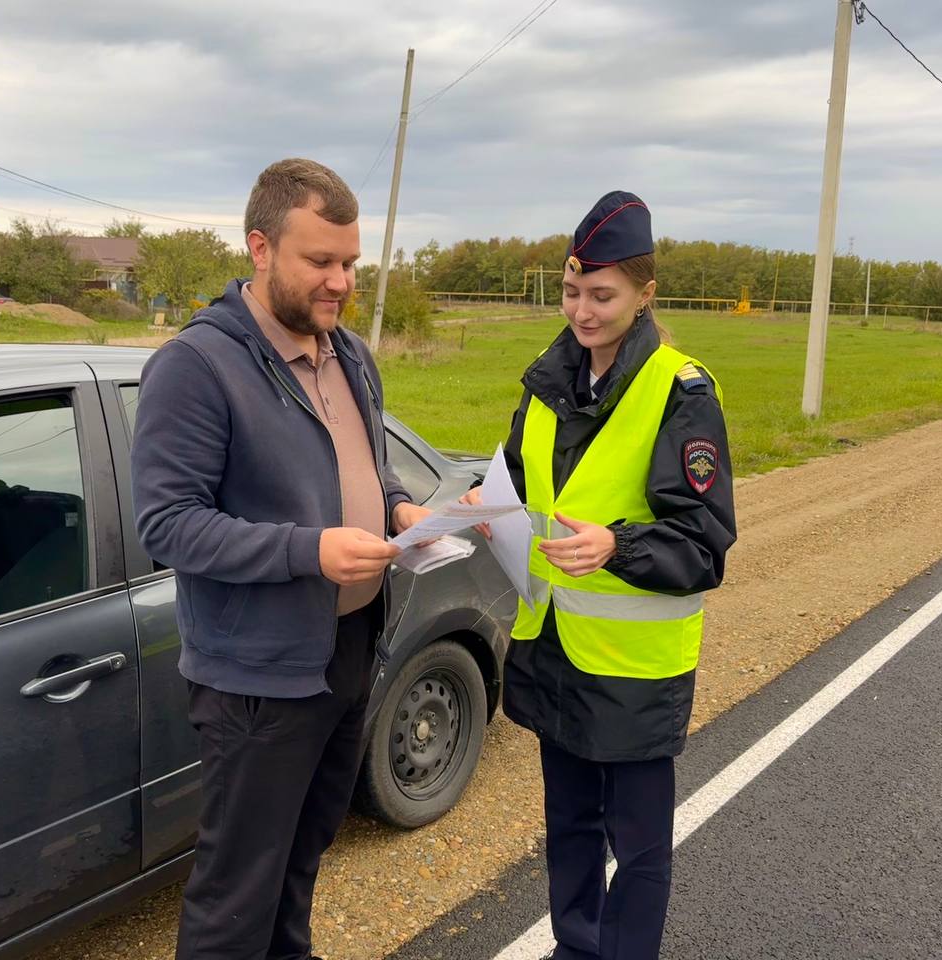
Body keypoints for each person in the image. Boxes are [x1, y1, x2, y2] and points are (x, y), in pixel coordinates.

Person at [130, 158, 430, 960]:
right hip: (257, 680)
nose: (340, 282)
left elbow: (366, 462)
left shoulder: (350, 354)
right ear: (260, 249)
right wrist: (310, 551)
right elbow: (168, 525)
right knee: (238, 893)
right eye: (320, 262)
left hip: (349, 645)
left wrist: (400, 506)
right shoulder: (195, 367)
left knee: (302, 856)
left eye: (351, 264)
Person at [463, 191, 736, 960]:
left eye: (602, 295)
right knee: (570, 828)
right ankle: (576, 947)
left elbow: (705, 544)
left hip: (636, 670)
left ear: (645, 295)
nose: (582, 311)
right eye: (571, 292)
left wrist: (617, 546)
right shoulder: (546, 382)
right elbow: (511, 481)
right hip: (553, 648)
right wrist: (465, 510)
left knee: (639, 846)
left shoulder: (681, 392)